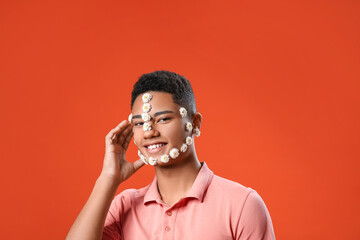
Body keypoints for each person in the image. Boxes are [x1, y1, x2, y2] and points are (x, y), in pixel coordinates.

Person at [66, 70, 276, 240]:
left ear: (194, 123)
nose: (149, 132)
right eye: (139, 123)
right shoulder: (123, 206)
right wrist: (108, 180)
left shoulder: (241, 204)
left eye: (163, 119)